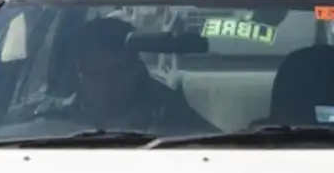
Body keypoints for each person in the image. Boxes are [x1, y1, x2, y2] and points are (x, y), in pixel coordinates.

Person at [43, 16, 217, 134]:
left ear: (135, 68)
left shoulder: (170, 111)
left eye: (116, 73)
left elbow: (212, 145)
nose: (106, 85)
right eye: (95, 74)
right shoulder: (50, 117)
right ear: (79, 70)